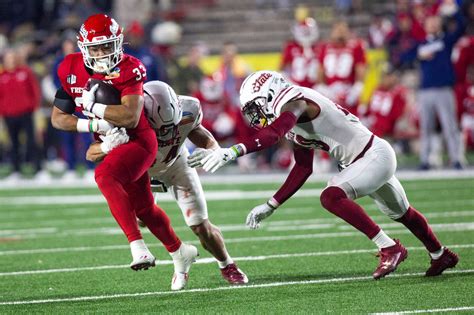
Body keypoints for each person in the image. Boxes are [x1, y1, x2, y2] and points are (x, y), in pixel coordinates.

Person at [188, 70, 459, 280]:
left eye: (255, 108)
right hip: (365, 160)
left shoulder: (296, 103)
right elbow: (303, 167)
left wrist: (233, 151)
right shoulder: (291, 119)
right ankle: (440, 254)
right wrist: (271, 205)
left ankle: (389, 248)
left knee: (330, 196)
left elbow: (273, 134)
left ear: (271, 95)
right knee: (403, 213)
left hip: (373, 156)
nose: (255, 117)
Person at [50, 14, 197, 291]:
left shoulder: (130, 68)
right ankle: (180, 252)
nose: (103, 53)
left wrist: (93, 107)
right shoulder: (70, 67)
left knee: (105, 176)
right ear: (84, 48)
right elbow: (58, 118)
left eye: (108, 46)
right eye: (96, 47)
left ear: (118, 44)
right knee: (145, 208)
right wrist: (93, 125)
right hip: (108, 140)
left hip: (139, 141)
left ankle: (137, 246)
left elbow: (130, 116)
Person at [87, 80, 249, 285]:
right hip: (142, 172)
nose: (166, 132)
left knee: (200, 225)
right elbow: (91, 154)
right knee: (142, 220)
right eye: (160, 129)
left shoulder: (189, 108)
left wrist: (212, 151)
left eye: (171, 126)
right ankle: (180, 256)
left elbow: (203, 136)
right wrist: (106, 147)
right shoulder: (126, 117)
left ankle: (228, 265)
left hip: (176, 164)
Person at [401, 4, 465, 170]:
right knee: (426, 127)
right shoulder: (421, 44)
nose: (433, 25)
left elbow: (461, 27)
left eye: (435, 22)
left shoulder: (445, 40)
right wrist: (418, 55)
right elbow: (403, 57)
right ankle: (425, 160)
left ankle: (456, 159)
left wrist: (454, 11)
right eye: (430, 23)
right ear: (426, 26)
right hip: (425, 90)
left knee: (449, 125)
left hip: (444, 89)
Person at [0, 48, 41, 180]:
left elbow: (35, 90)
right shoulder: (2, 75)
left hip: (26, 113)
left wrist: (35, 107)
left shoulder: (25, 72)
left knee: (31, 141)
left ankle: (38, 169)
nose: (11, 61)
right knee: (13, 143)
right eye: (8, 59)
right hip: (9, 115)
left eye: (13, 58)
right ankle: (16, 170)